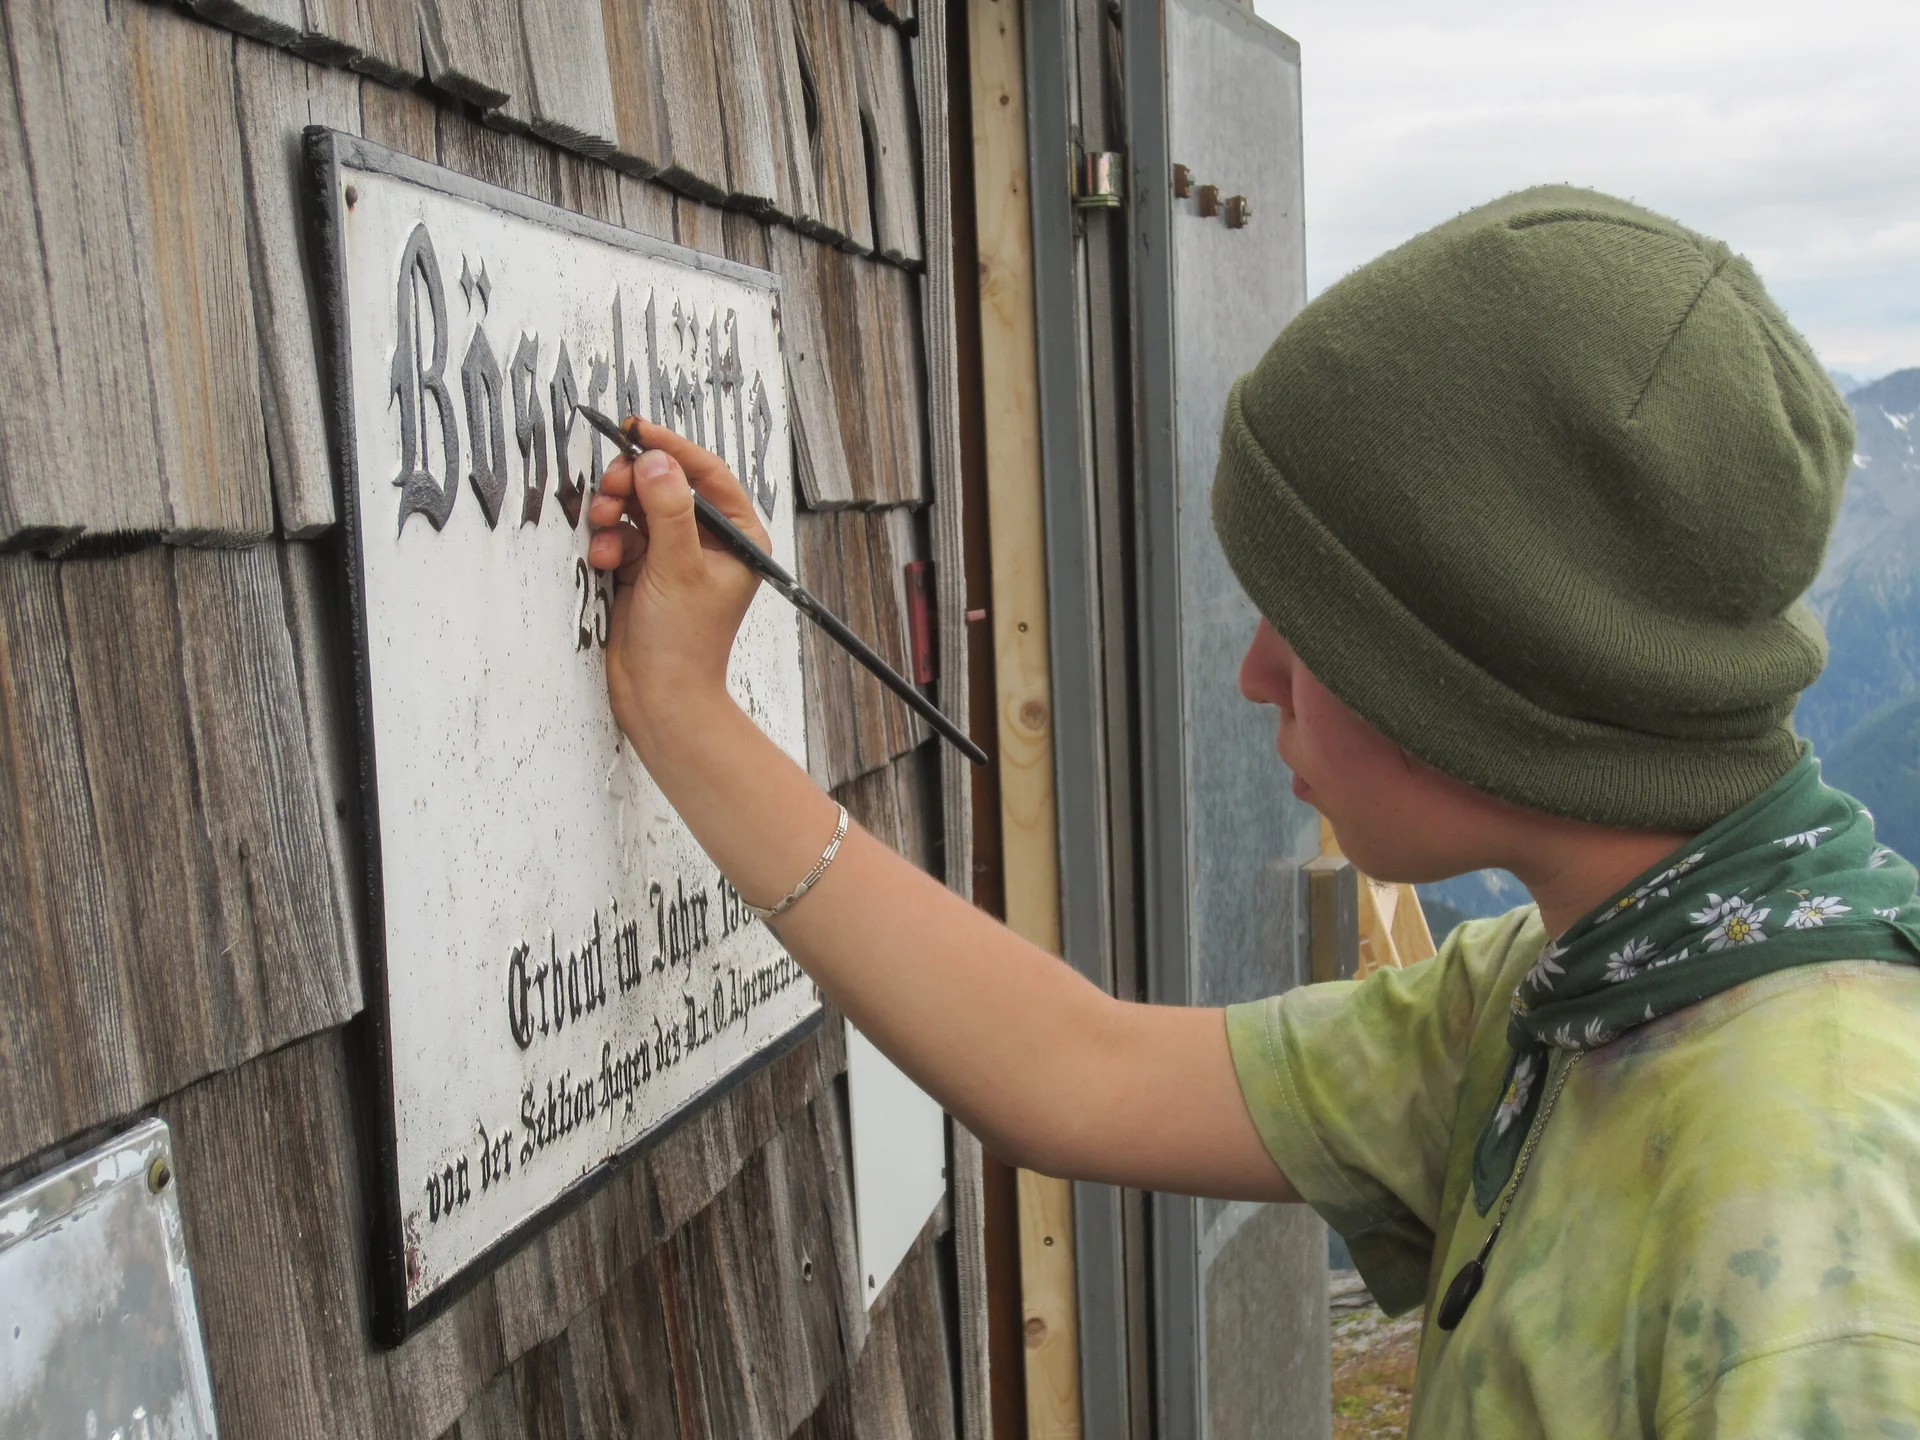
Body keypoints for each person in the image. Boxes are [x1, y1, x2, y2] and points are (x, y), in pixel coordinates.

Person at [585, 187, 1920, 1436]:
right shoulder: (1597, 982)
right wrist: (684, 708)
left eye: (1322, 619)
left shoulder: (1817, 1270)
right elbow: (1077, 1073)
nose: (1256, 673)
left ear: (1493, 664)